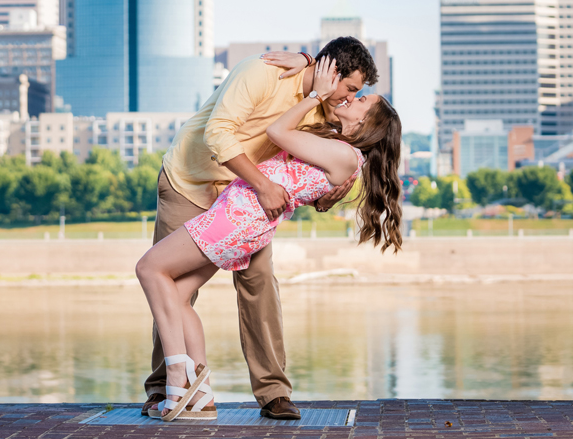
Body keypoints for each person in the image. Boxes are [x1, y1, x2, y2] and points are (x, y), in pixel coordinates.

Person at [139, 56, 404, 422]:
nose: (349, 98)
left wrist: (326, 193)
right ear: (333, 74)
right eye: (352, 89)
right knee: (173, 291)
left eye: (357, 97)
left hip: (241, 211)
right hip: (194, 182)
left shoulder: (326, 117)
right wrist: (309, 63)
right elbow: (219, 133)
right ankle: (181, 390)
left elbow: (311, 165)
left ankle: (266, 391)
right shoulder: (264, 73)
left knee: (240, 284)